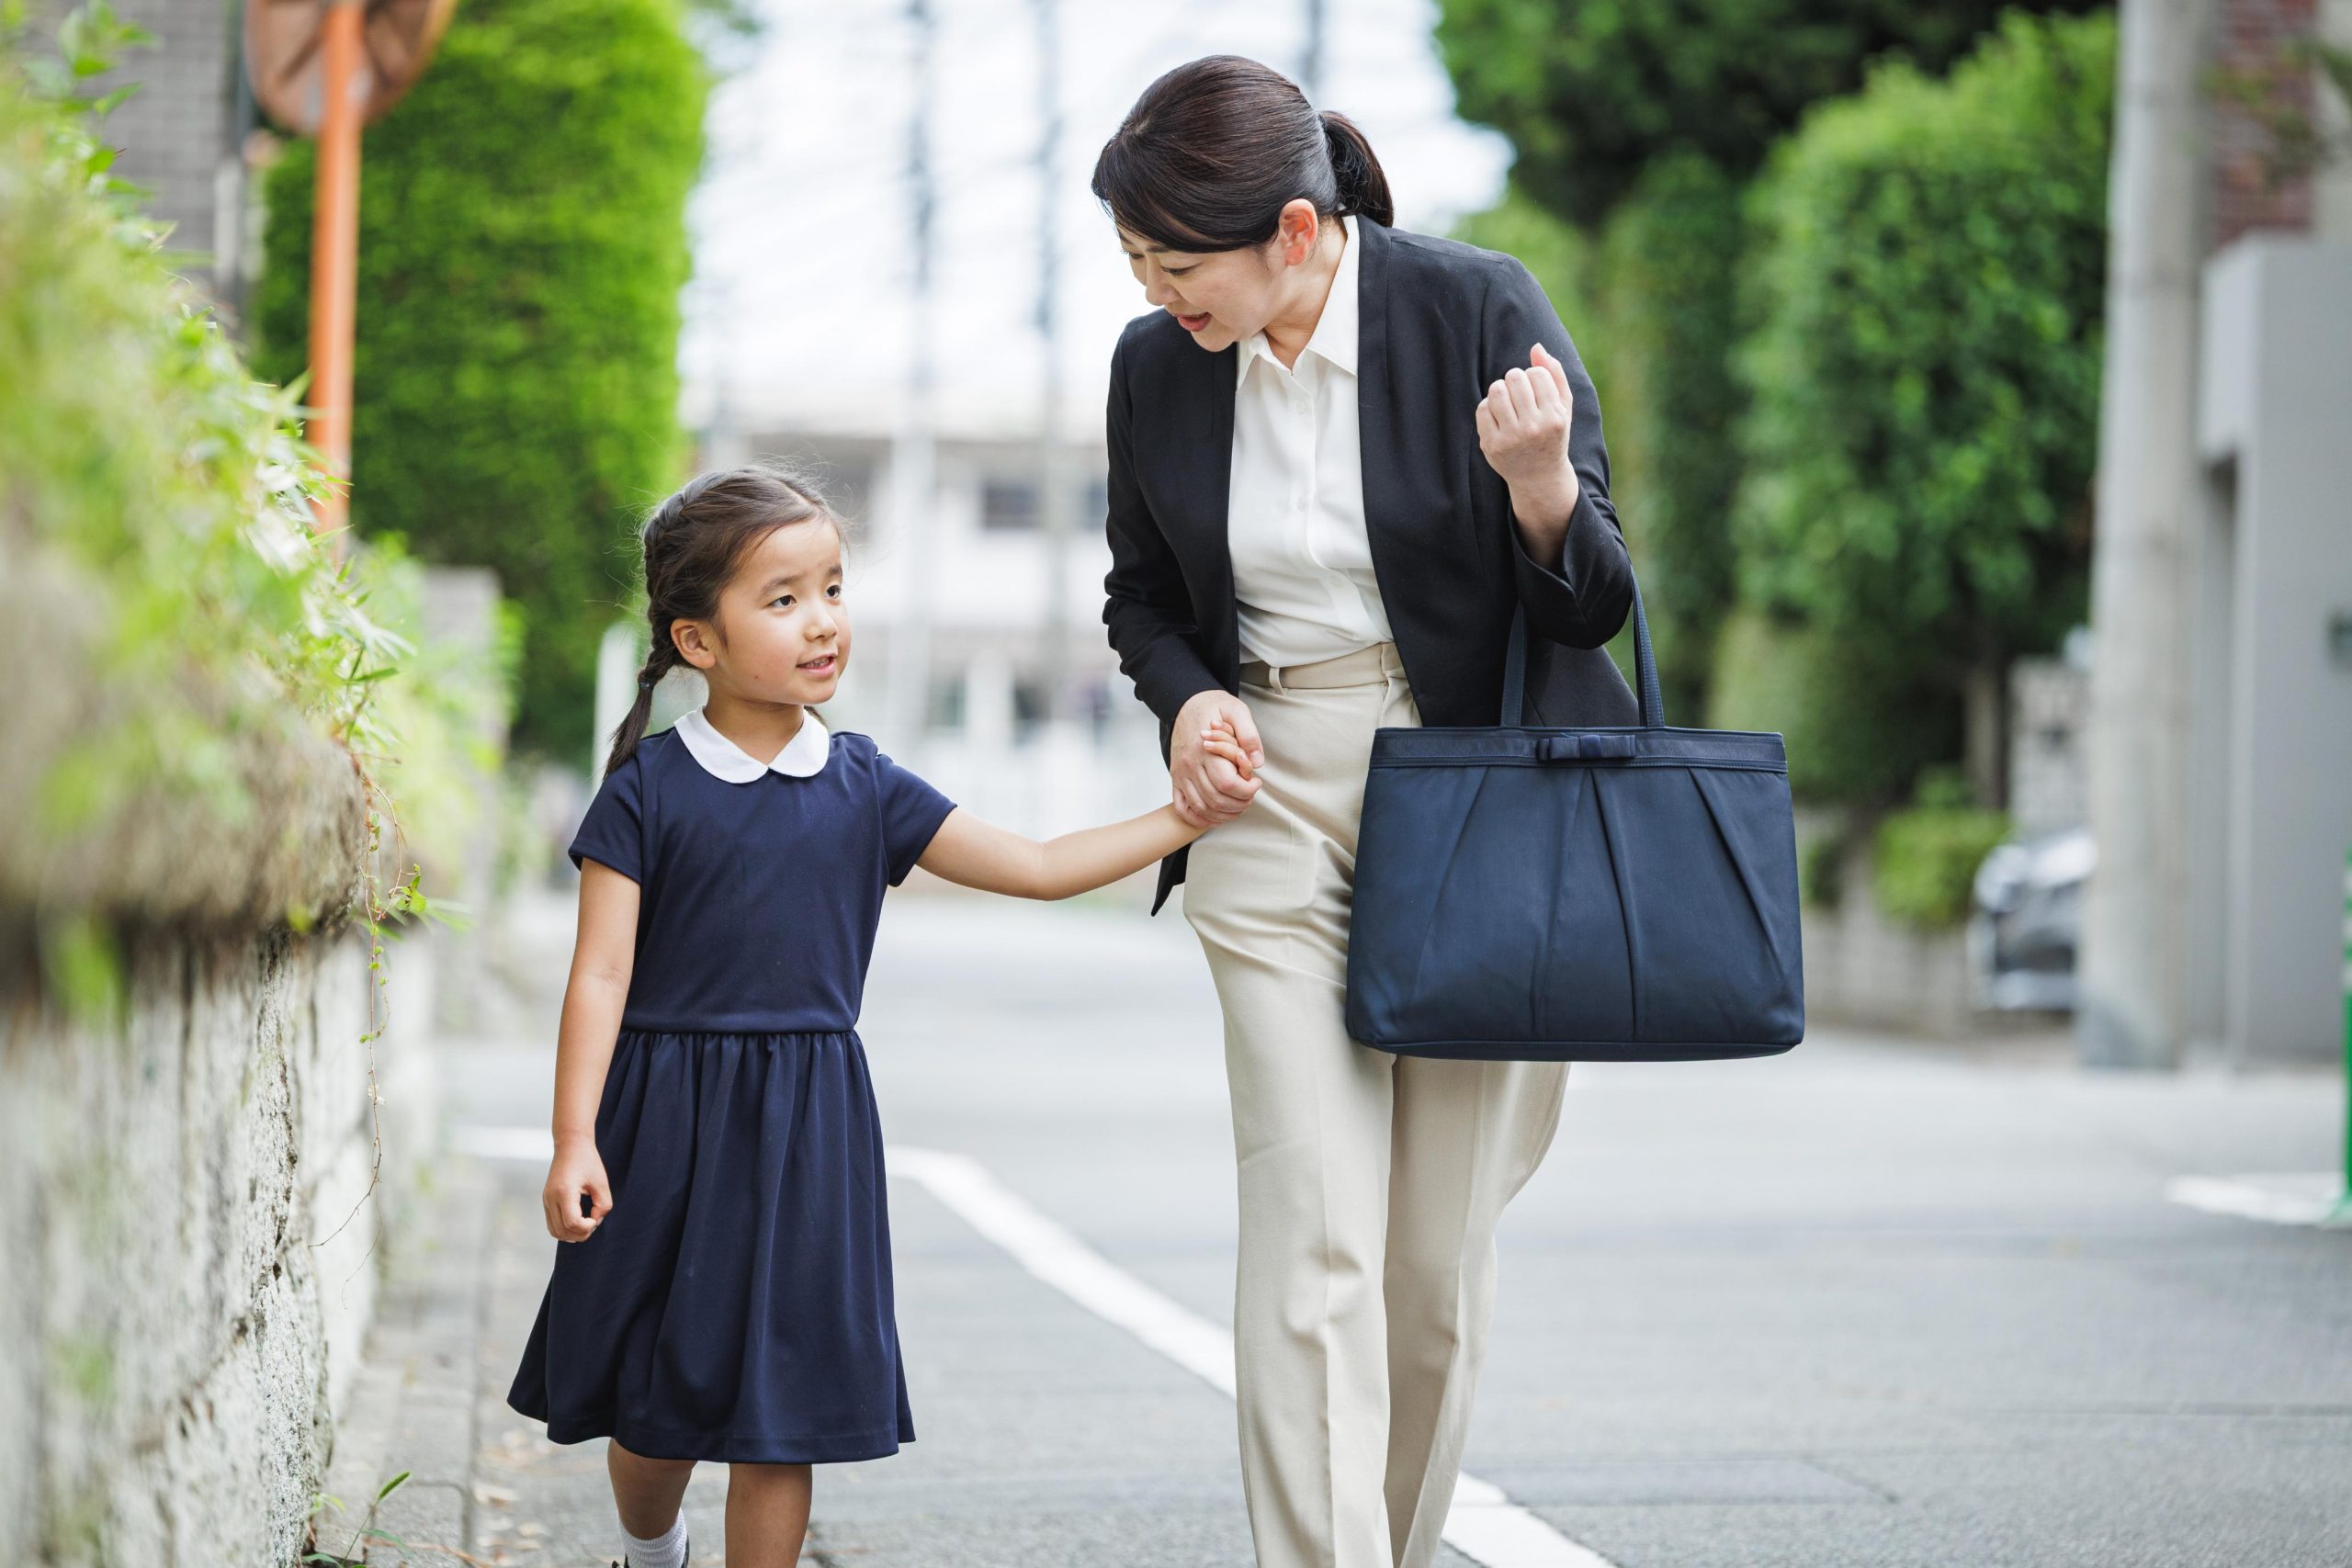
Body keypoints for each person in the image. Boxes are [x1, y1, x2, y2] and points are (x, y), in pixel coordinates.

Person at [1091, 55, 1638, 1568]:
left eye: (1175, 263)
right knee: (1308, 1233)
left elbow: (1595, 598)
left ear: (1293, 231)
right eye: (1133, 262)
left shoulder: (1476, 309)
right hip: (1263, 791)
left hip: (1469, 798)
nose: (1153, 293)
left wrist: (1540, 485)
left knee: (1429, 1270)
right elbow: (1142, 598)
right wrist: (1189, 699)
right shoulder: (1158, 368)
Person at [503, 462, 1251, 1568]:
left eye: (833, 589)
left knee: (784, 1413)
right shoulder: (645, 792)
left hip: (809, 1133)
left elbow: (1038, 865)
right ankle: (650, 1549)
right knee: (654, 1409)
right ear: (697, 640)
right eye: (783, 598)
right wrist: (576, 1139)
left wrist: (1182, 817)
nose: (823, 622)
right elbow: (599, 977)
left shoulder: (866, 785)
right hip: (660, 1128)